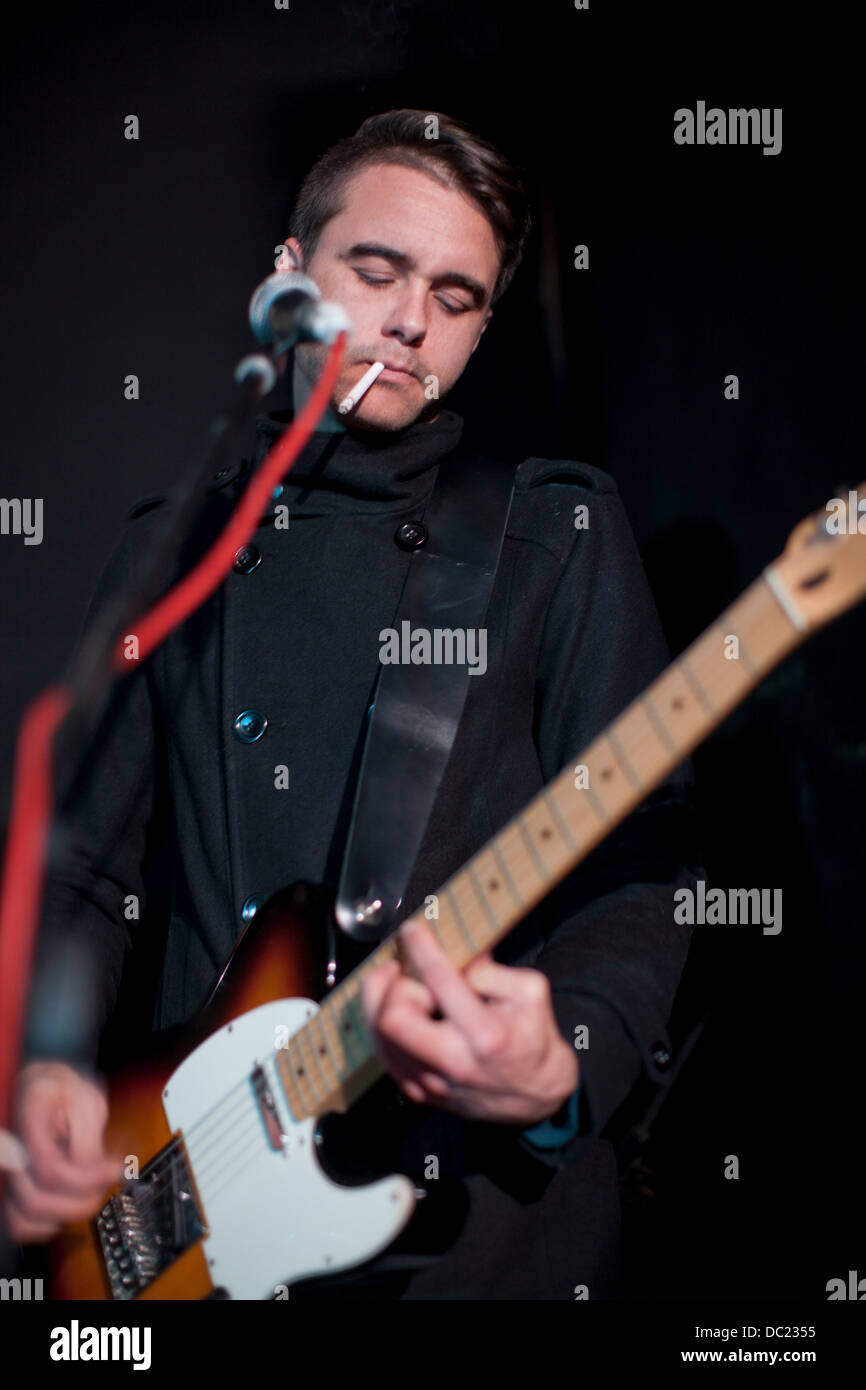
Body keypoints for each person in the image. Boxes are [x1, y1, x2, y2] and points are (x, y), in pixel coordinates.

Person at [4, 109, 702, 1299]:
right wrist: (47, 1059)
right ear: (287, 275)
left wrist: (559, 1065)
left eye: (456, 294)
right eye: (373, 270)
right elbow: (82, 875)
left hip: (470, 1230)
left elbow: (642, 864)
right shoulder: (165, 552)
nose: (409, 320)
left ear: (481, 329)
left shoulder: (551, 531)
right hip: (195, 1195)